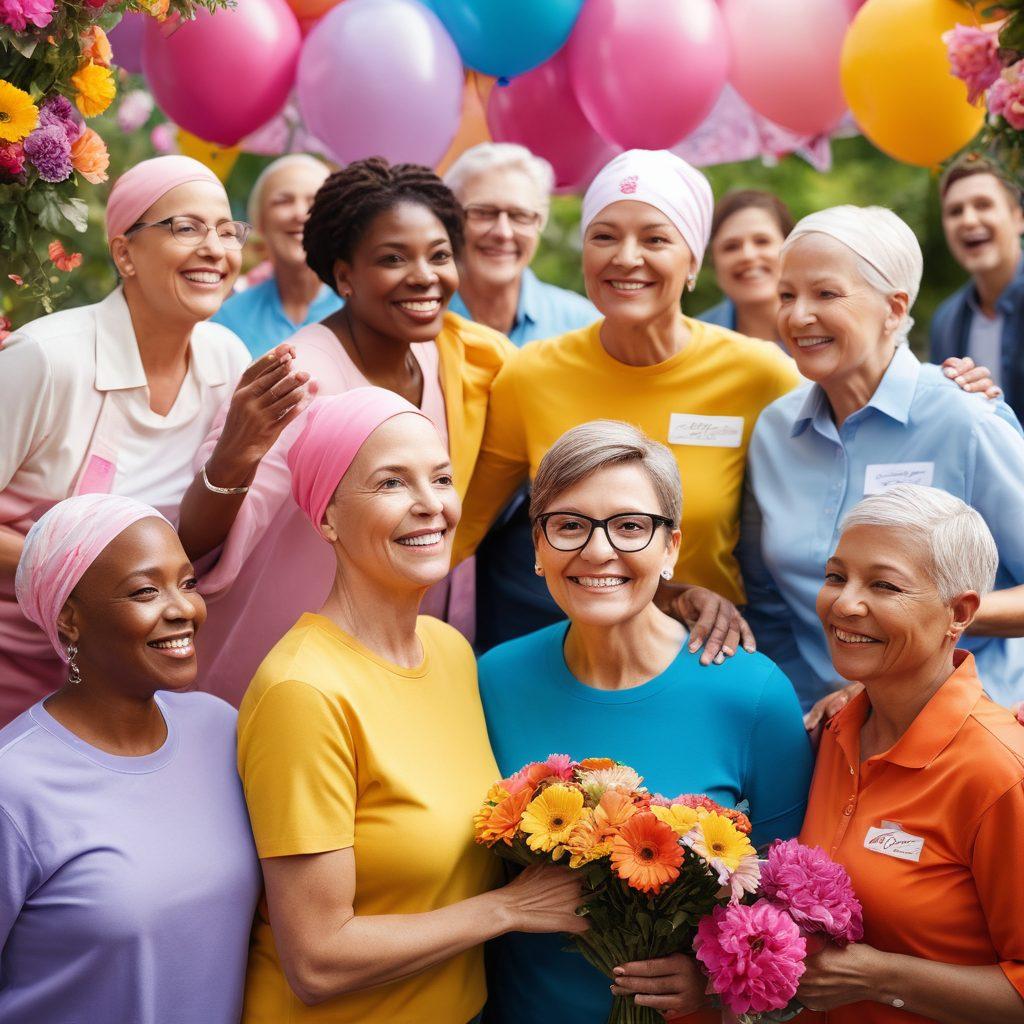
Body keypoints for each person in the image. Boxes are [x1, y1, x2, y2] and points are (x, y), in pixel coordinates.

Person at [236, 390, 586, 1024]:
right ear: (327, 517)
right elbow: (316, 959)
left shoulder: (450, 651)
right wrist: (508, 910)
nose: (431, 504)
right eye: (391, 482)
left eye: (442, 477)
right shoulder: (303, 692)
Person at [478, 421, 813, 1024]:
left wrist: (714, 986)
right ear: (537, 547)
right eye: (569, 524)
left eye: (630, 526)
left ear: (672, 547)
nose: (598, 550)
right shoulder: (493, 680)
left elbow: (789, 907)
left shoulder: (755, 694)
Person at [181, 157, 521, 705]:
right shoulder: (298, 377)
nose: (425, 276)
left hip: (392, 669)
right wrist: (233, 453)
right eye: (393, 258)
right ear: (344, 276)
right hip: (280, 673)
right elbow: (196, 544)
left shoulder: (450, 359)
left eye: (439, 255)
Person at [453, 148, 806, 663]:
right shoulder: (529, 376)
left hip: (709, 659)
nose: (626, 256)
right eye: (604, 236)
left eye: (655, 239)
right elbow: (459, 531)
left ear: (693, 262)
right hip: (568, 656)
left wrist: (960, 388)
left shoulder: (762, 374)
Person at [0, 155, 309, 726]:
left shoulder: (225, 359)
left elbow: (192, 539)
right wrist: (86, 572)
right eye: (186, 227)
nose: (215, 248)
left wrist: (239, 453)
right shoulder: (48, 358)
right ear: (124, 253)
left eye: (226, 229)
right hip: (12, 665)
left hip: (130, 678)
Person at [740, 205, 1024, 715]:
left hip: (965, 730)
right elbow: (771, 607)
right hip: (824, 729)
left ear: (894, 309)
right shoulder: (774, 431)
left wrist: (930, 617)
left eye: (825, 293)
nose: (798, 315)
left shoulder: (965, 419)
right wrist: (797, 711)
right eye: (787, 295)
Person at [0, 494, 261, 1024]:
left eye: (187, 583)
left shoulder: (220, 729)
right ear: (69, 619)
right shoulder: (13, 787)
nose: (183, 608)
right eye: (145, 590)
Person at [796, 486, 1024, 1024]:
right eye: (836, 576)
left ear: (960, 612)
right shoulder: (833, 729)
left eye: (884, 584)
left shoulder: (999, 773)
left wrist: (879, 977)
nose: (845, 603)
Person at [443, 142, 599, 652]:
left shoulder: (581, 325)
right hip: (434, 550)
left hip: (539, 566)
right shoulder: (418, 319)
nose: (502, 231)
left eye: (520, 215)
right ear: (453, 218)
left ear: (540, 223)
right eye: (484, 212)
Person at [212, 154, 343, 357]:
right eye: (283, 201)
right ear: (260, 222)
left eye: (314, 201)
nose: (300, 213)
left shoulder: (363, 312)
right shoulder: (227, 319)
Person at [930, 155, 1024, 414]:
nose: (968, 220)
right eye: (955, 211)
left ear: (1019, 218)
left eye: (983, 205)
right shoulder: (945, 321)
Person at [698, 188, 794, 344]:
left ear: (791, 248)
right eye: (731, 247)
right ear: (713, 260)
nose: (748, 255)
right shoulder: (694, 344)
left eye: (762, 241)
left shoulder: (829, 327)